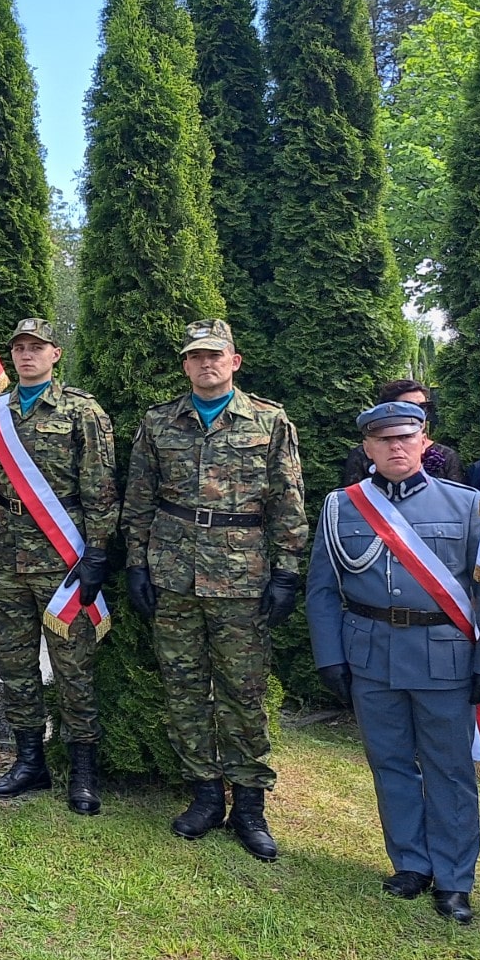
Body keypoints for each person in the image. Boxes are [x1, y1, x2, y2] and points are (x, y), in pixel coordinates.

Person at [124, 319, 307, 861]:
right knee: (183, 688)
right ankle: (205, 794)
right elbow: (139, 498)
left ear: (234, 361)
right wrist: (136, 564)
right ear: (186, 364)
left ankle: (249, 805)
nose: (206, 364)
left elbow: (288, 501)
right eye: (196, 356)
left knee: (242, 692)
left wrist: (287, 571)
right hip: (174, 574)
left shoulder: (269, 421)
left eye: (216, 355)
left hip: (241, 577)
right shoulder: (158, 422)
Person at [307, 400, 480, 926]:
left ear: (423, 440)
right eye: (383, 439)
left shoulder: (465, 505)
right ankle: (411, 863)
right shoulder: (342, 506)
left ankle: (454, 879)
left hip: (444, 658)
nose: (396, 447)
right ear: (368, 447)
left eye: (406, 437)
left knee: (449, 770)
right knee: (389, 763)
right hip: (370, 656)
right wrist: (330, 656)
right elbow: (322, 589)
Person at [0, 318, 119, 813]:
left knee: (73, 668)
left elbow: (101, 488)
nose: (27, 354)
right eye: (19, 347)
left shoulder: (82, 411)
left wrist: (97, 552)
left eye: (37, 347)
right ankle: (30, 761)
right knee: (13, 664)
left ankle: (83, 772)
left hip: (63, 557)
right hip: (4, 557)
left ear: (55, 353)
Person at [340, 379, 464, 486]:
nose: (419, 413)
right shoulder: (362, 455)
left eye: (424, 407)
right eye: (409, 407)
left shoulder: (447, 456)